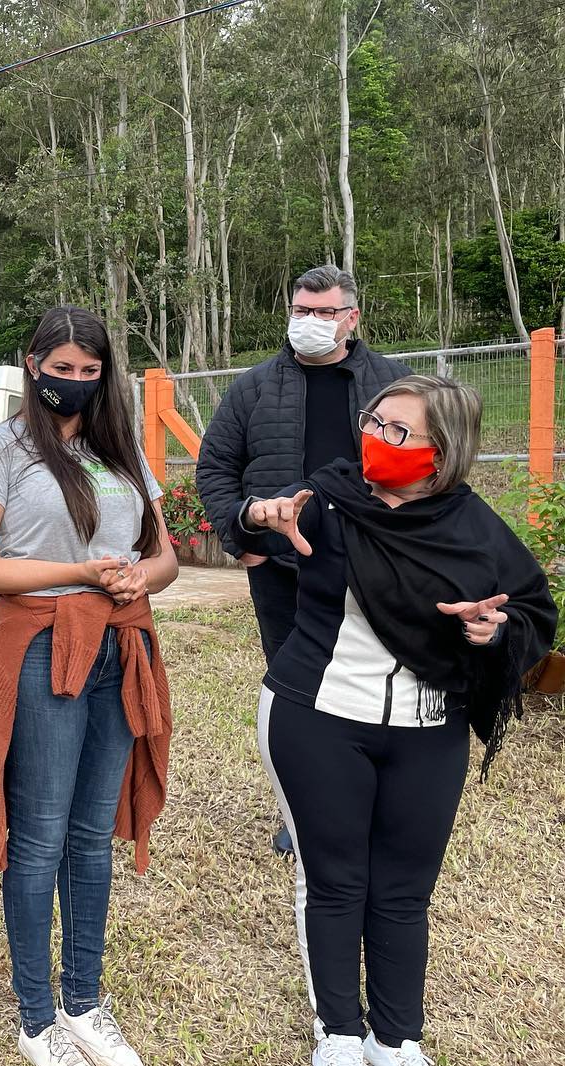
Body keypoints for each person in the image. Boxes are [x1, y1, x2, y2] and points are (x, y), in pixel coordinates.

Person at [239, 375, 556, 1066]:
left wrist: (490, 633)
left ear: (441, 454)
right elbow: (241, 525)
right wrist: (262, 517)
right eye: (373, 422)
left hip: (428, 729)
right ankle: (339, 1036)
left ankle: (396, 1041)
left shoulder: (475, 529)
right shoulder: (328, 498)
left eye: (397, 431)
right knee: (335, 884)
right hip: (318, 717)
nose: (375, 440)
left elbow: (533, 612)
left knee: (404, 893)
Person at [0, 305, 178, 1066]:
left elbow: (166, 556)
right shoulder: (3, 449)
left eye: (90, 370)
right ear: (33, 363)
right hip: (43, 645)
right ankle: (35, 1018)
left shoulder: (120, 449)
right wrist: (81, 573)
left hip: (120, 643)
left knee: (91, 834)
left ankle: (83, 1003)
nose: (75, 382)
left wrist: (131, 575)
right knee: (41, 835)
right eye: (63, 368)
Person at [196, 264, 409, 856]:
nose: (310, 322)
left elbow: (435, 465)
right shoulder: (254, 388)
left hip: (377, 569)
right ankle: (305, 815)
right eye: (300, 311)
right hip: (285, 572)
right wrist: (240, 538)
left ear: (352, 317)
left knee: (376, 689)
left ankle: (376, 808)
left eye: (324, 312)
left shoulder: (394, 385)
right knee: (297, 697)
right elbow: (214, 468)